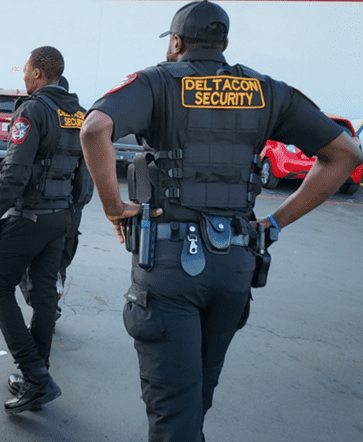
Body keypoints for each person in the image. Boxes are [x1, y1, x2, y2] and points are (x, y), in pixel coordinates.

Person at [79, 1, 363, 441]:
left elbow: (95, 129)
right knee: (198, 396)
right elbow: (345, 154)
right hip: (236, 265)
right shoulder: (267, 91)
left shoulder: (156, 82)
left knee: (173, 411)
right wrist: (275, 223)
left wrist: (113, 206)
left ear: (176, 42)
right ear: (224, 44)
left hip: (171, 267)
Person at [0, 46, 86, 414]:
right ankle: (38, 374)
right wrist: (69, 215)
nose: (24, 76)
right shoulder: (78, 115)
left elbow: (14, 173)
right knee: (45, 294)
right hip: (60, 218)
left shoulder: (33, 110)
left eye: (26, 70)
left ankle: (35, 375)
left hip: (28, 218)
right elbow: (84, 178)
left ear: (36, 73)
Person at [19, 75, 94, 319]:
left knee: (27, 264)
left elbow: (21, 167)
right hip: (72, 209)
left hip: (42, 208)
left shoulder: (39, 113)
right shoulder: (84, 117)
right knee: (57, 262)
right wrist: (77, 204)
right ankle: (51, 299)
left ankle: (45, 305)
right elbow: (86, 171)